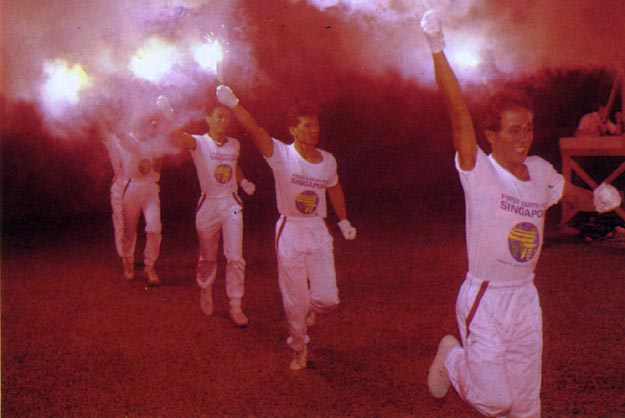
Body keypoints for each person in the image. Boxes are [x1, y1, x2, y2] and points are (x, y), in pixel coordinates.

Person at [420, 9, 622, 417]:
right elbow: (458, 112)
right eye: (513, 130)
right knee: (496, 401)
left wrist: (598, 198)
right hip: (485, 298)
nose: (523, 137)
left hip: (525, 298)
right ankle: (452, 357)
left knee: (527, 404)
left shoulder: (541, 173)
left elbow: (571, 195)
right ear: (491, 135)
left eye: (528, 128)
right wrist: (437, 46)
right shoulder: (479, 172)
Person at [216, 85, 357, 370]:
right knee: (294, 299)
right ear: (293, 130)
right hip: (290, 230)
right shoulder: (281, 154)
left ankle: (311, 311)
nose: (313, 130)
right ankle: (298, 346)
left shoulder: (327, 160)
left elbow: (334, 188)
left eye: (316, 125)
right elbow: (255, 131)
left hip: (317, 230)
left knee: (327, 299)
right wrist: (233, 104)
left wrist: (343, 220)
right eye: (306, 126)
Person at [172, 103, 256, 327]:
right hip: (208, 204)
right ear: (207, 118)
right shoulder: (199, 143)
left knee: (235, 257)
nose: (223, 121)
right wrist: (167, 115)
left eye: (226, 117)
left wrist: (243, 181)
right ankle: (206, 287)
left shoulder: (234, 145)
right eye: (218, 117)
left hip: (231, 203)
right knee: (208, 257)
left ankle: (235, 304)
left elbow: (234, 165)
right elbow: (177, 135)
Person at [117, 114, 165, 286]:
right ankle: (128, 263)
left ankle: (149, 266)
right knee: (129, 230)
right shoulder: (127, 140)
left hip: (150, 188)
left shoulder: (153, 142)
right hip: (133, 188)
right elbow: (116, 129)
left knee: (154, 229)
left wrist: (157, 174)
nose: (148, 125)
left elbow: (160, 155)